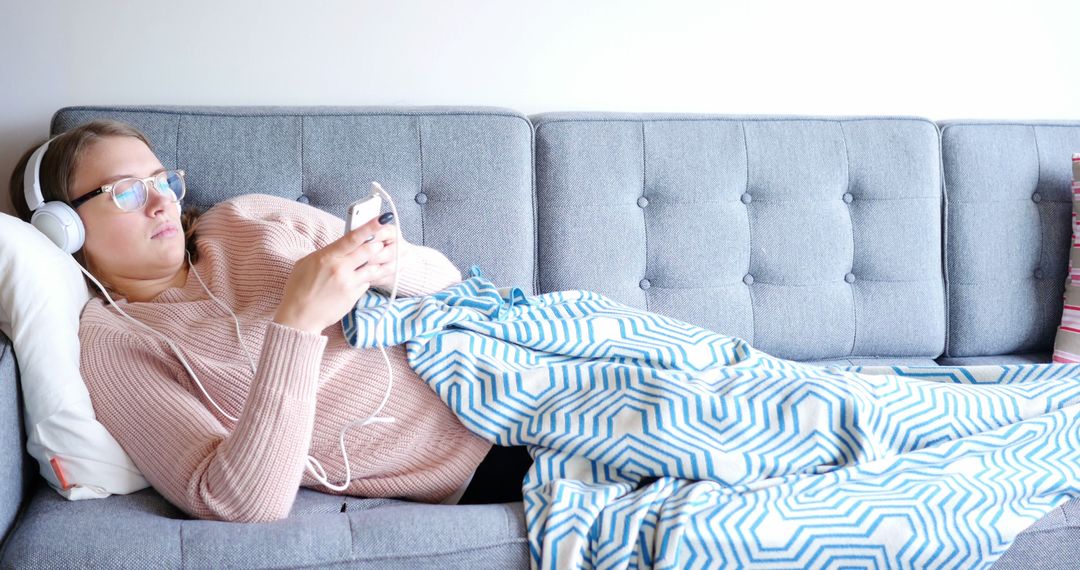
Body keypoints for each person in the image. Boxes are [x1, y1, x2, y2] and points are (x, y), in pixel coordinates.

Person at [7, 120, 531, 522]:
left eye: (161, 180)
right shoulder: (115, 344)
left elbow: (449, 281)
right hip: (488, 453)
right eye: (125, 191)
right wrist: (297, 326)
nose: (161, 203)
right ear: (65, 229)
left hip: (513, 363)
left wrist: (389, 262)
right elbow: (236, 501)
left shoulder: (248, 218)